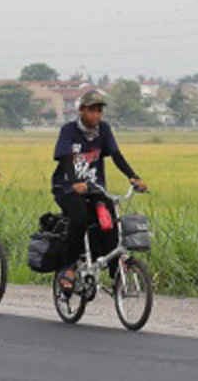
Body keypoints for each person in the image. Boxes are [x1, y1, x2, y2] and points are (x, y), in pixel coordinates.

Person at [51, 90, 148, 289]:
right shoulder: (69, 131)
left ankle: (116, 272)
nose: (96, 115)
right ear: (81, 110)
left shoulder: (104, 130)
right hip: (67, 188)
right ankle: (68, 266)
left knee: (110, 220)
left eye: (99, 111)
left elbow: (116, 155)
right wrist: (75, 182)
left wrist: (134, 177)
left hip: (95, 189)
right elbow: (66, 158)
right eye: (92, 110)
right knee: (80, 217)